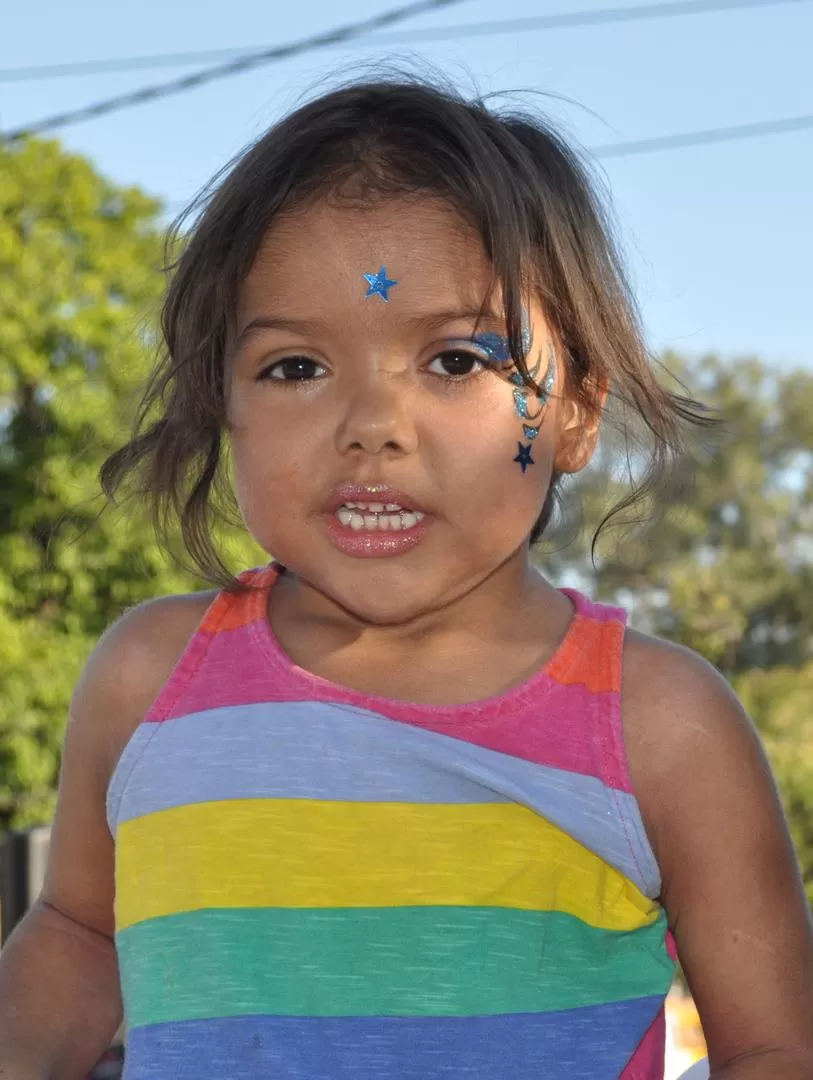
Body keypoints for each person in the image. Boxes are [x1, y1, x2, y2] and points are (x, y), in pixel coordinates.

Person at [0, 77, 811, 1080]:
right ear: (223, 406)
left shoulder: (660, 726)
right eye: (296, 367)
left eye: (459, 359)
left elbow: (775, 1046)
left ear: (576, 413)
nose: (371, 426)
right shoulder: (145, 682)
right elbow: (79, 935)